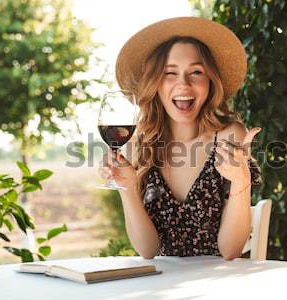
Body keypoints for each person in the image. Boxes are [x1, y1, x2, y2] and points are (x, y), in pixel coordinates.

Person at [99, 17, 263, 260]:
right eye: (169, 73)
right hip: (162, 288)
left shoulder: (229, 137)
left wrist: (241, 180)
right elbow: (147, 250)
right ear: (155, 83)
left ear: (210, 81)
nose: (183, 83)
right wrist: (127, 188)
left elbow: (230, 251)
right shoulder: (140, 145)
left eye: (196, 72)